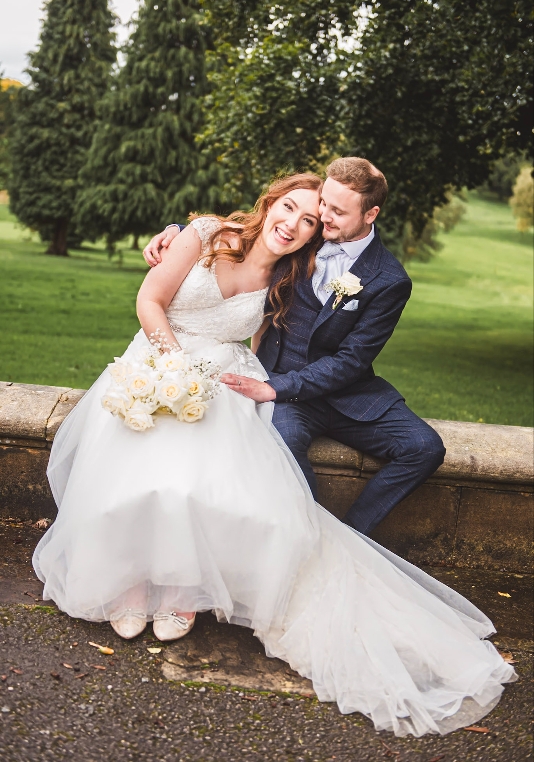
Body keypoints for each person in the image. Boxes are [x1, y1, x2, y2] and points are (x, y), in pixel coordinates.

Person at [34, 172, 515, 739]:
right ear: (271, 201)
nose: (302, 222)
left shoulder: (302, 270)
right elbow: (157, 290)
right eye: (294, 208)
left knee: (201, 482)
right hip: (159, 360)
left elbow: (337, 344)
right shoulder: (213, 236)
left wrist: (245, 383)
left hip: (238, 378)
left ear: (341, 224)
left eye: (314, 218)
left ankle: (185, 590)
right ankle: (132, 583)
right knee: (143, 470)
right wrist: (173, 251)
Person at [144, 157, 446, 536]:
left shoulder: (389, 279)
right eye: (324, 205)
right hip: (286, 390)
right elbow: (251, 231)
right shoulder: (306, 237)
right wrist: (175, 233)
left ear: (370, 214)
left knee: (425, 448)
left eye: (337, 211)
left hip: (347, 394)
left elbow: (352, 360)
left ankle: (350, 536)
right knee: (283, 444)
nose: (323, 216)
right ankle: (310, 536)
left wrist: (272, 389)